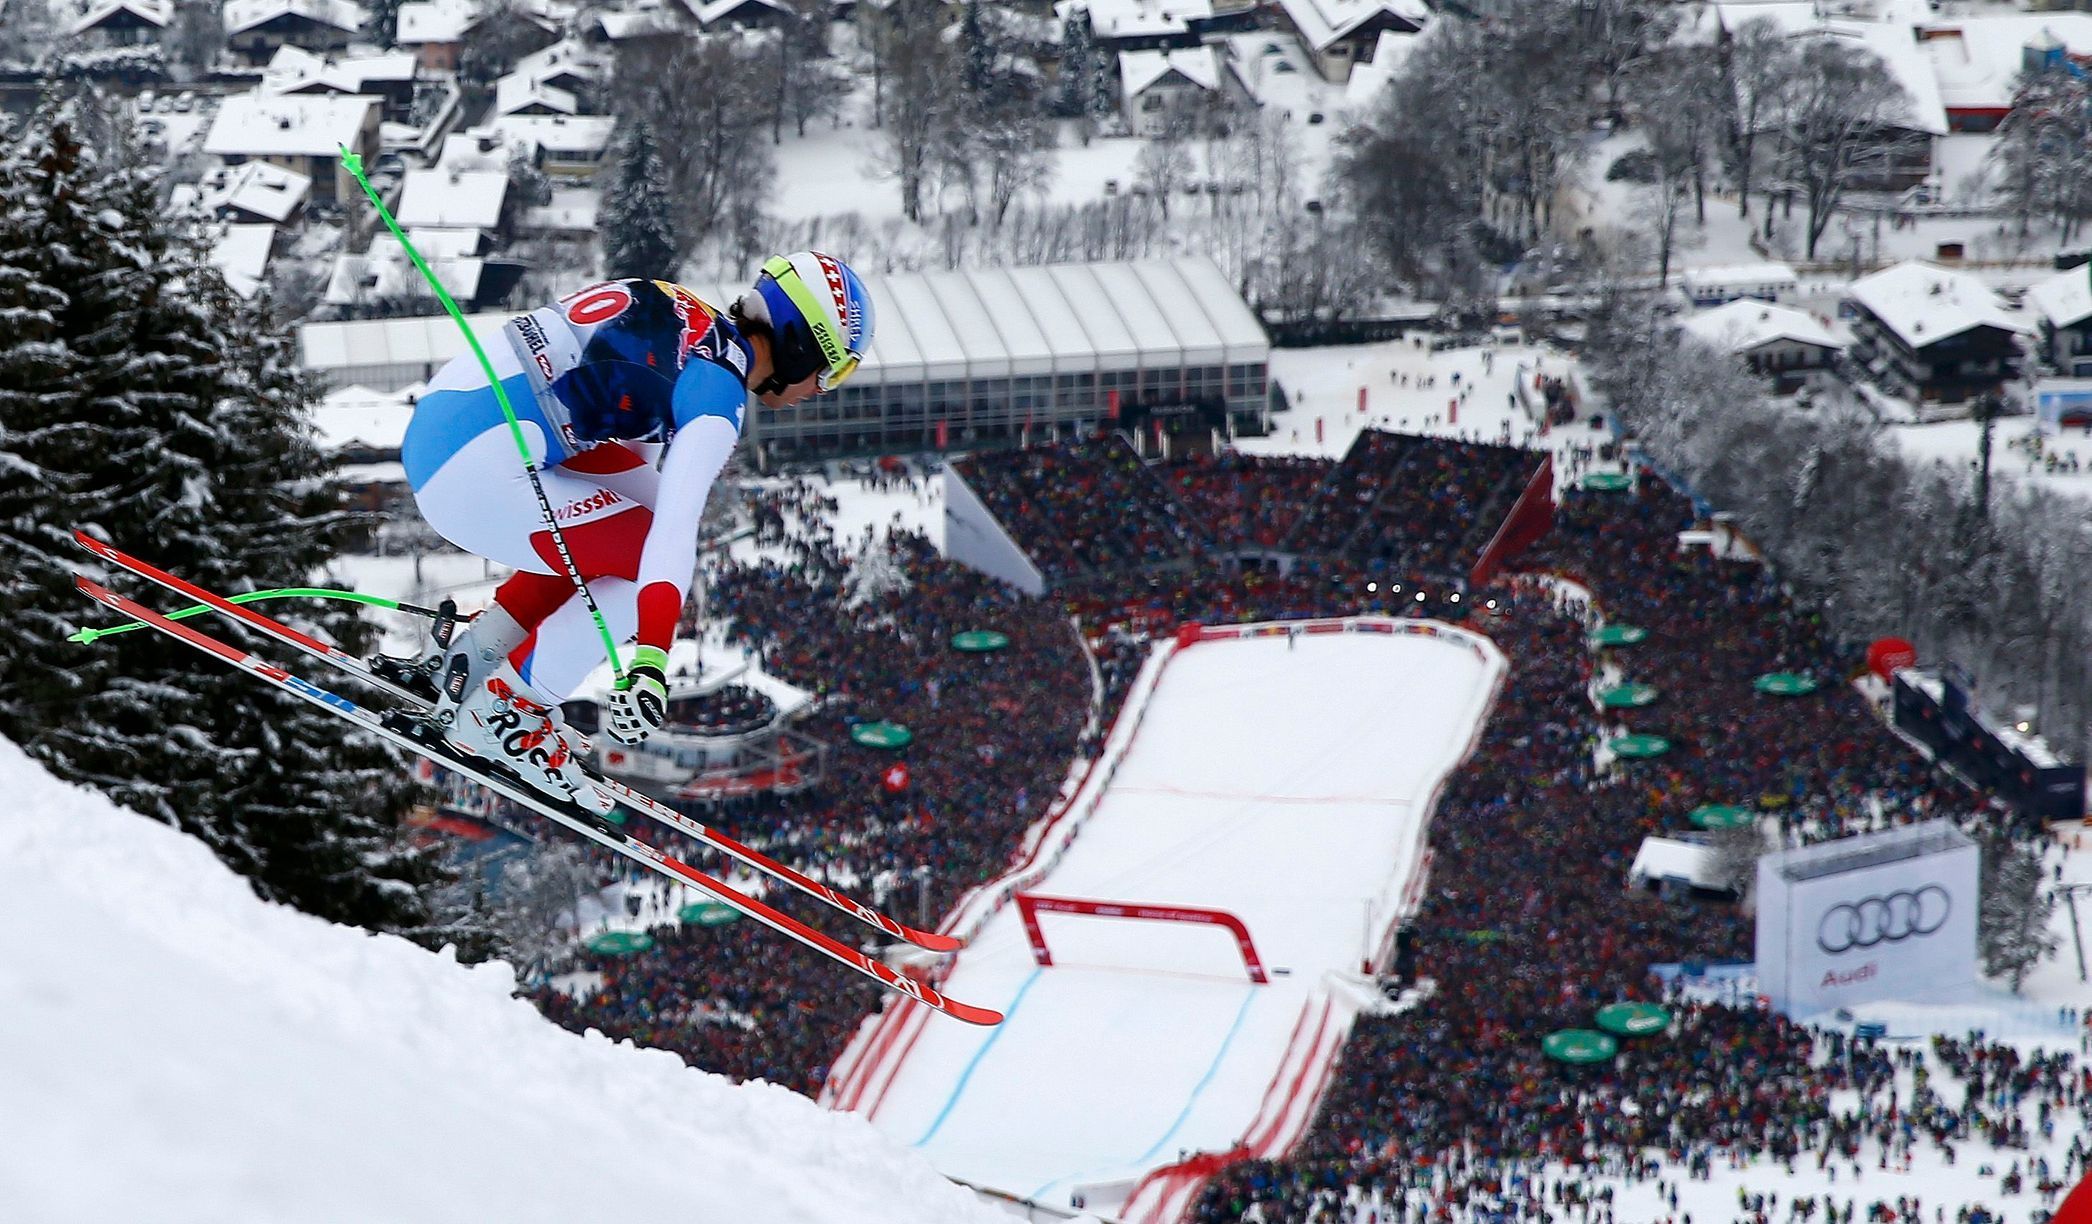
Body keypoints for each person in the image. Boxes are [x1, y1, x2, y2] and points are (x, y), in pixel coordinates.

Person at [390, 253, 874, 811]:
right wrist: (652, 660)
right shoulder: (717, 396)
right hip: (473, 468)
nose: (821, 390)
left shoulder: (683, 313)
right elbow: (673, 527)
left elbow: (618, 484)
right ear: (800, 344)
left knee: (630, 529)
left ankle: (478, 654)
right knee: (653, 554)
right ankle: (507, 713)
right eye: (832, 371)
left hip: (450, 431)